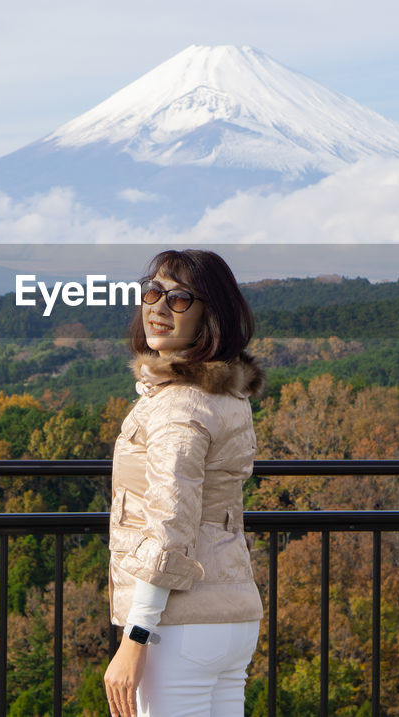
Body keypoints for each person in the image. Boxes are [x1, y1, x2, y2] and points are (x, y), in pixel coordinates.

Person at [104, 249, 265, 717]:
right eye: (152, 292)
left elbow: (171, 524)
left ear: (209, 315)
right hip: (231, 614)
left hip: (179, 627)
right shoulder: (227, 395)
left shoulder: (178, 406)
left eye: (178, 299)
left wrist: (136, 637)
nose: (157, 307)